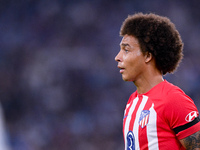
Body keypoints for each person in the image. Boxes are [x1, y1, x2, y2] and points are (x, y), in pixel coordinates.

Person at [115, 13, 200, 150]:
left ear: (148, 56)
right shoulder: (132, 101)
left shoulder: (173, 100)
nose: (117, 57)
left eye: (126, 50)